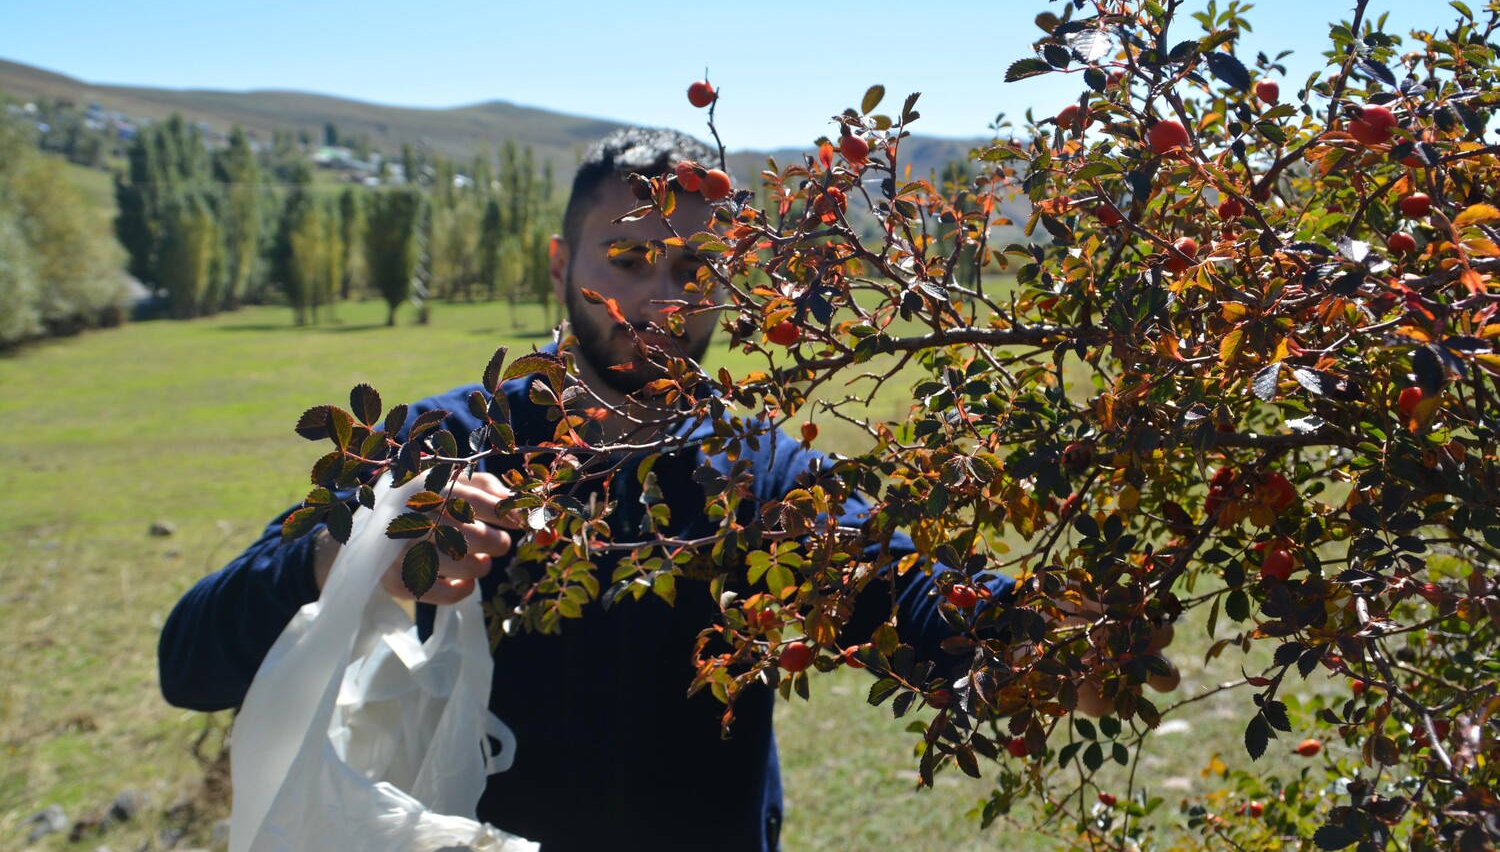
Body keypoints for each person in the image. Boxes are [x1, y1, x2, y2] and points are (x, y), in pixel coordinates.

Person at [158, 127, 1169, 851]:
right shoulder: (441, 450)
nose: (664, 297)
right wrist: (360, 557)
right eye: (631, 259)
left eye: (695, 263)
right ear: (563, 262)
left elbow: (904, 589)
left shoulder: (761, 474)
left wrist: (1022, 639)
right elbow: (190, 655)